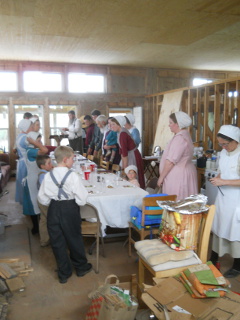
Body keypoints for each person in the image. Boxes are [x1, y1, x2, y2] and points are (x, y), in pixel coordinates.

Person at [38, 146, 92, 283]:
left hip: (54, 209)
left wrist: (54, 201)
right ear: (66, 159)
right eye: (73, 159)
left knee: (57, 242)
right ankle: (81, 267)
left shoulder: (48, 175)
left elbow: (42, 198)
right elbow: (81, 199)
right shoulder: (72, 175)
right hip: (70, 209)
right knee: (74, 238)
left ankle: (64, 273)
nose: (73, 162)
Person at [210, 125, 240, 278]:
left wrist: (224, 182)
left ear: (235, 141)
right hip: (223, 198)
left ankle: (237, 265)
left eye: (225, 144)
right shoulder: (223, 152)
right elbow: (222, 170)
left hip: (236, 200)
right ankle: (213, 260)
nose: (223, 147)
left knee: (235, 231)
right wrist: (218, 178)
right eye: (221, 144)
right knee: (219, 226)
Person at [157, 111, 197, 200]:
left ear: (178, 124)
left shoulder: (180, 138)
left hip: (179, 176)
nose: (169, 125)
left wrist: (161, 177)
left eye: (171, 123)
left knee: (177, 199)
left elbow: (171, 161)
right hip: (183, 171)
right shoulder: (184, 135)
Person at [23, 132, 48, 235]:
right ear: (32, 141)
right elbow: (45, 150)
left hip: (35, 178)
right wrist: (33, 141)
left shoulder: (33, 150)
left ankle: (37, 226)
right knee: (33, 203)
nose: (40, 142)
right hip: (31, 181)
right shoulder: (30, 151)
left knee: (37, 202)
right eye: (38, 140)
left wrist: (36, 142)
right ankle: (36, 228)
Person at [110, 116, 145, 189]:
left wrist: (124, 168)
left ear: (119, 124)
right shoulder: (120, 132)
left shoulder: (123, 134)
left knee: (131, 175)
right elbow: (122, 151)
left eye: (113, 124)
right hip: (129, 154)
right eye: (110, 124)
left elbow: (125, 153)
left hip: (132, 156)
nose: (111, 126)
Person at [36, 154, 53, 247]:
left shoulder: (44, 173)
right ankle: (47, 239)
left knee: (43, 219)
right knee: (49, 219)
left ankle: (44, 240)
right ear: (42, 166)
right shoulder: (43, 176)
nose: (51, 164)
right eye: (49, 163)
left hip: (41, 200)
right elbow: (47, 189)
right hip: (45, 202)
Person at [15, 119, 33, 204]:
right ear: (27, 128)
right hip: (26, 163)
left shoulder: (20, 136)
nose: (32, 128)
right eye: (31, 126)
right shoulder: (25, 138)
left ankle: (25, 202)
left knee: (23, 183)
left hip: (22, 162)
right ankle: (28, 204)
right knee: (27, 184)